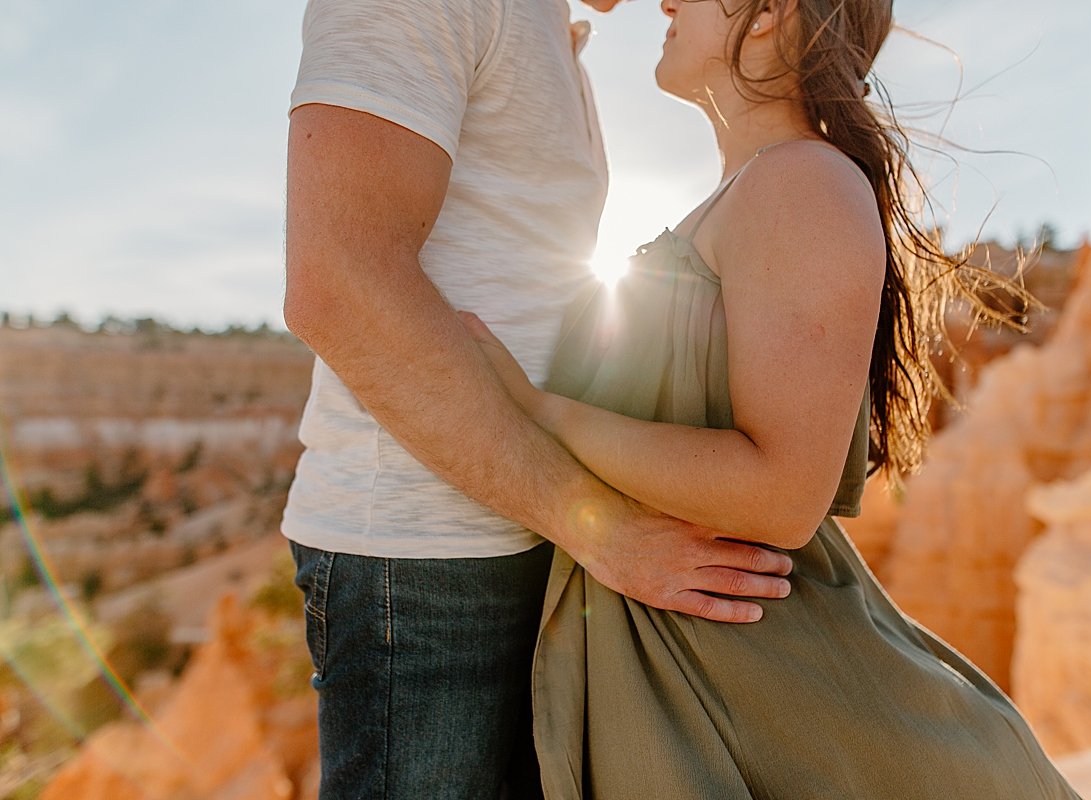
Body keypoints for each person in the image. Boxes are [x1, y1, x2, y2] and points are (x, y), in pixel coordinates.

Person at [459, 0, 1086, 796]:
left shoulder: (803, 181)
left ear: (769, 14)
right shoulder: (751, 193)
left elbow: (783, 493)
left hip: (768, 709)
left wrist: (546, 416)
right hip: (710, 678)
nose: (667, 2)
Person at [280, 0, 799, 797]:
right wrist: (597, 526)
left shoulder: (553, 32)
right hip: (424, 563)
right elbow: (338, 284)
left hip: (529, 535)